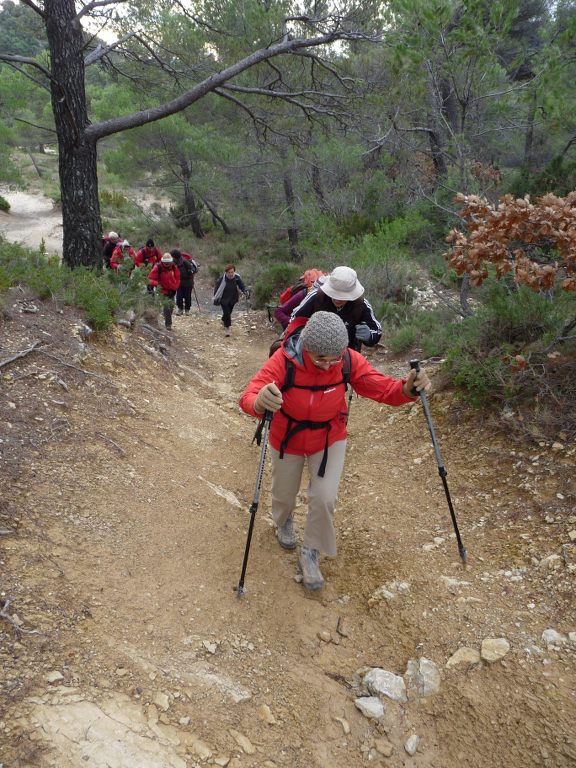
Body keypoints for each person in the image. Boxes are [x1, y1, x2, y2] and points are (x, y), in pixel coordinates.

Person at [239, 311, 430, 591]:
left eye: (334, 358)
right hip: (287, 436)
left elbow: (383, 389)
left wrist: (408, 389)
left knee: (325, 498)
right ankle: (284, 521)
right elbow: (248, 395)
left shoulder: (348, 361)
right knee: (283, 492)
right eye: (320, 359)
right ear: (306, 347)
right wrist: (258, 403)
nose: (328, 365)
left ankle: (311, 552)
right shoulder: (283, 359)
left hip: (329, 437)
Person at [287, 265, 381, 350]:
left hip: (347, 358)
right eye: (334, 294)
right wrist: (303, 335)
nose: (337, 299)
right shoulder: (317, 297)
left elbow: (376, 330)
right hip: (315, 355)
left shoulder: (360, 304)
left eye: (343, 296)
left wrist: (370, 336)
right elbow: (294, 320)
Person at [213, 263, 250, 337]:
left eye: (232, 272)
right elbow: (217, 289)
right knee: (227, 313)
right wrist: (216, 297)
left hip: (233, 298)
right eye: (229, 272)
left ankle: (224, 319)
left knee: (228, 313)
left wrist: (245, 291)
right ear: (226, 272)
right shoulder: (221, 279)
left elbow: (241, 285)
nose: (231, 274)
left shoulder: (236, 277)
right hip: (224, 298)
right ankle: (227, 328)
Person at [147, 253, 180, 330]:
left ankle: (166, 316)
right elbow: (149, 279)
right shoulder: (158, 267)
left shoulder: (174, 267)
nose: (167, 264)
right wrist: (158, 284)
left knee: (171, 306)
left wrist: (176, 286)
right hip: (163, 291)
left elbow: (178, 277)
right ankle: (168, 324)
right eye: (166, 263)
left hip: (172, 291)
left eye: (168, 263)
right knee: (167, 306)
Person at [171, 249, 198, 315]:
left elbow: (193, 269)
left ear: (175, 256)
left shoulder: (184, 261)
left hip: (188, 283)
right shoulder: (173, 262)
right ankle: (180, 309)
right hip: (179, 282)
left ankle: (187, 310)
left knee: (187, 297)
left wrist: (191, 271)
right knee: (179, 297)